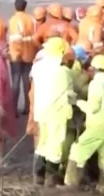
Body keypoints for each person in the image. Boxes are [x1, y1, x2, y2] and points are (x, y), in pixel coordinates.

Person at [65, 55, 104, 194]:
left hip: (97, 125)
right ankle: (103, 188)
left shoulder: (95, 84)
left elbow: (92, 108)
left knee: (78, 150)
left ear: (94, 69)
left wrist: (77, 102)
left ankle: (71, 185)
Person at [32, 37, 75, 188]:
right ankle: (50, 179)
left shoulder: (37, 67)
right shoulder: (64, 72)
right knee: (55, 146)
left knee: (42, 144)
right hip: (57, 114)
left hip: (41, 112)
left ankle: (38, 176)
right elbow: (70, 94)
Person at [7, 0, 36, 115]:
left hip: (17, 55)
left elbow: (16, 39)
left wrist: (16, 54)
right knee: (26, 82)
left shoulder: (13, 20)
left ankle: (14, 110)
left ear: (15, 7)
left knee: (16, 82)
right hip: (29, 54)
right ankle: (28, 108)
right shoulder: (31, 19)